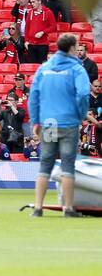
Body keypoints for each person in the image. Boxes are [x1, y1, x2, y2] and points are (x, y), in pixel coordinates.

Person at [29, 34, 91, 217]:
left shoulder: (44, 68)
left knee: (45, 164)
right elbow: (82, 95)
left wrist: (35, 121)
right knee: (67, 165)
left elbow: (34, 97)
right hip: (69, 122)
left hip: (49, 122)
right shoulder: (77, 69)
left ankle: (38, 208)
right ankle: (68, 208)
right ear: (72, 48)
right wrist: (80, 115)